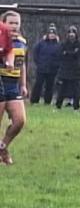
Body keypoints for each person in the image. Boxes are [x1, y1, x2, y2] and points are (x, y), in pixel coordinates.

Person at [0, 11, 28, 165]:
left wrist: (23, 84)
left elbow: (22, 63)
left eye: (17, 23)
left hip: (13, 85)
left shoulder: (22, 41)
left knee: (20, 121)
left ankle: (3, 146)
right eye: (11, 22)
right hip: (1, 81)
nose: (14, 26)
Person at [54, 26, 80, 111]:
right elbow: (60, 55)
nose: (71, 35)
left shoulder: (79, 45)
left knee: (76, 91)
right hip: (65, 71)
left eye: (73, 33)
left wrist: (68, 54)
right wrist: (71, 54)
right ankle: (58, 106)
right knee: (61, 90)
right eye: (70, 33)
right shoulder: (63, 44)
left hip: (75, 71)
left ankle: (76, 107)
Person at [30, 23, 61, 105]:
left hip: (52, 69)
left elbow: (60, 56)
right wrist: (39, 62)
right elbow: (35, 52)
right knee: (38, 84)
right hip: (41, 68)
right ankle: (34, 100)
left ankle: (47, 101)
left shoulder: (58, 45)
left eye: (53, 34)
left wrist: (57, 65)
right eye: (50, 33)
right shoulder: (41, 43)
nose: (51, 35)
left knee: (49, 86)